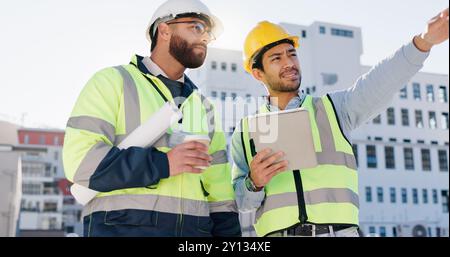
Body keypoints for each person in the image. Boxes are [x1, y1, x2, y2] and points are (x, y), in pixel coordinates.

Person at [232, 9, 449, 237]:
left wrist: (423, 42)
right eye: (277, 58)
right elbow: (238, 202)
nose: (289, 63)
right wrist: (253, 183)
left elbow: (381, 81)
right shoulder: (246, 132)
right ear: (258, 74)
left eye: (291, 54)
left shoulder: (333, 109)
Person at [63, 0, 241, 237]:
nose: (205, 37)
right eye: (197, 27)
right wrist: (163, 164)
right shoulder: (112, 82)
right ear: (165, 30)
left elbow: (220, 194)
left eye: (208, 33)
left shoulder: (204, 107)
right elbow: (81, 162)